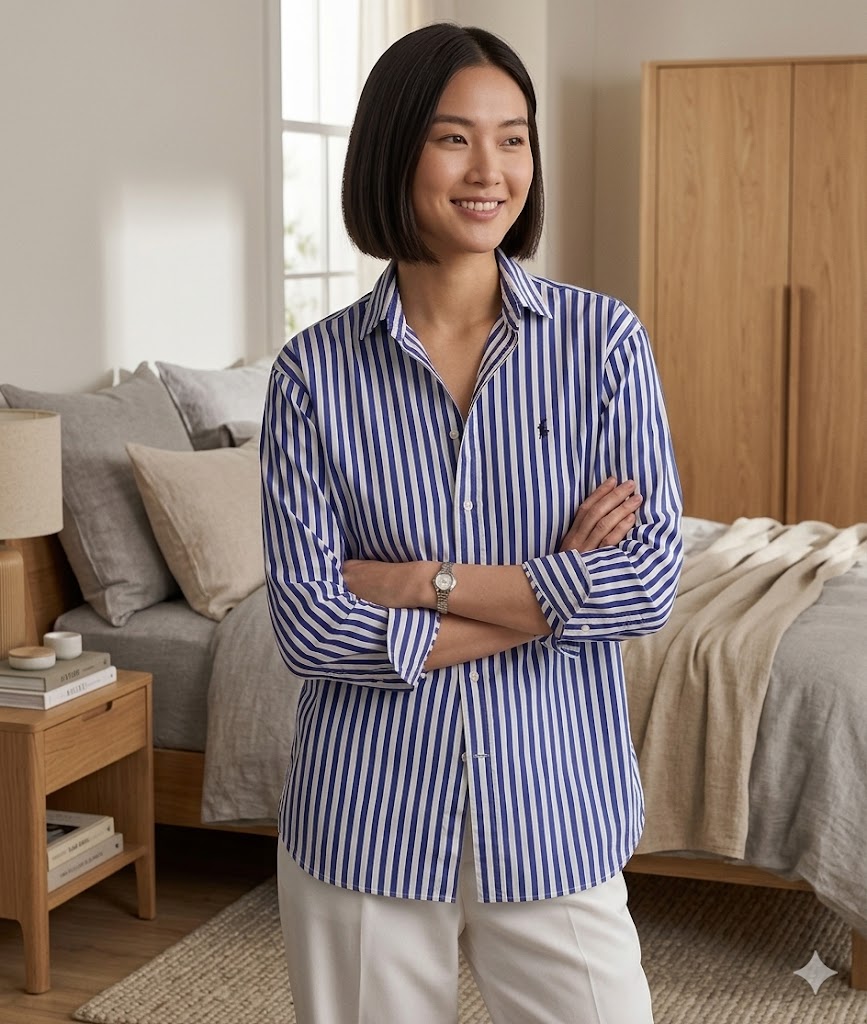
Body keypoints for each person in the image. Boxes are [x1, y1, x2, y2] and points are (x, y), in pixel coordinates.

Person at [261, 21, 682, 1024]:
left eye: (514, 136)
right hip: (365, 819)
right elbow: (309, 627)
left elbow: (646, 583)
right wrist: (553, 586)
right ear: (395, 151)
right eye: (454, 137)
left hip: (556, 808)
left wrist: (416, 581)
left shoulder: (602, 344)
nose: (490, 168)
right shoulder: (310, 376)